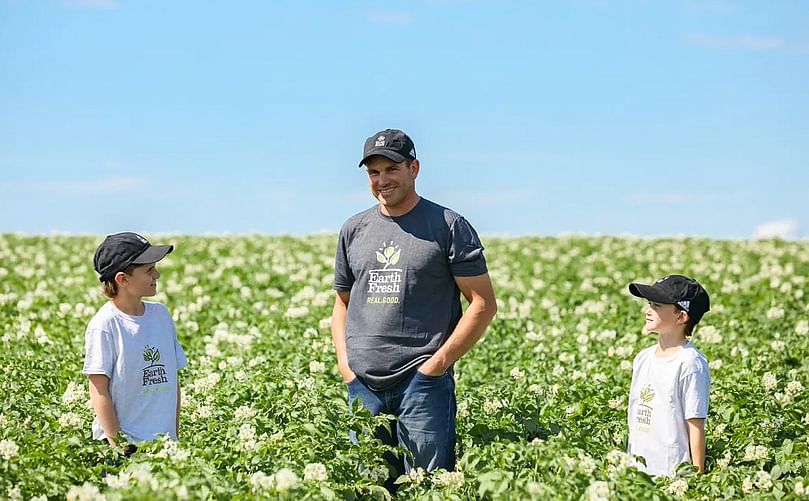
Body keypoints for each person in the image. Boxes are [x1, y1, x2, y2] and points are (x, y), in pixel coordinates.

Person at [331, 128, 497, 487]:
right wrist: (346, 367)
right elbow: (341, 304)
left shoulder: (448, 226)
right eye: (374, 173)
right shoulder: (353, 229)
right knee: (371, 489)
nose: (382, 180)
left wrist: (436, 365)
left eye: (391, 169)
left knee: (429, 487)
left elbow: (483, 303)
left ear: (414, 168)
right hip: (364, 386)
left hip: (421, 385)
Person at [83, 232, 187, 453]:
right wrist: (118, 445)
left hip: (164, 446)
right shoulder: (105, 324)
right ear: (123, 279)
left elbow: (172, 379)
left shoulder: (161, 315)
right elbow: (98, 389)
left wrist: (174, 436)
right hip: (124, 447)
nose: (156, 275)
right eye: (149, 270)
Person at [626, 274, 711, 476]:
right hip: (636, 471)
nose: (648, 311)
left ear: (681, 317)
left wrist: (698, 480)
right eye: (649, 304)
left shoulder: (690, 363)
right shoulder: (642, 358)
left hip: (670, 474)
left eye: (657, 306)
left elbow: (696, 426)